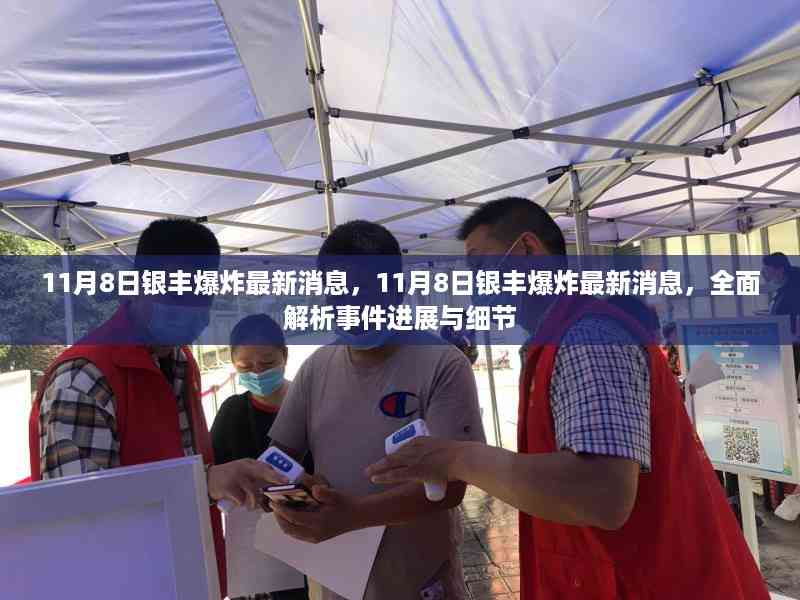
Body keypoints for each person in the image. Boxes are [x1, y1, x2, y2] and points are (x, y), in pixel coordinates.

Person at [367, 197, 769, 600]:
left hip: (658, 582)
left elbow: (602, 493)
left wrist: (457, 458)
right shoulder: (552, 343)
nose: (474, 284)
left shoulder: (589, 338)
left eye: (480, 265)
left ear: (527, 249)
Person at [29, 219, 279, 600]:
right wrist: (204, 483)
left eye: (201, 295)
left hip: (188, 576)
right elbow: (78, 516)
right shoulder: (84, 378)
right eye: (176, 292)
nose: (191, 308)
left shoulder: (180, 361)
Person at [265, 220, 486, 600]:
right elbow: (277, 457)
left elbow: (451, 485)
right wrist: (299, 489)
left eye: (365, 293)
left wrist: (354, 514)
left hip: (420, 583)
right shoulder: (316, 368)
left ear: (397, 289)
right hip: (341, 581)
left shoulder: (443, 364)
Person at [211, 313, 311, 600]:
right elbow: (214, 478)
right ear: (233, 364)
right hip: (255, 550)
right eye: (245, 366)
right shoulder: (231, 413)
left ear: (285, 356)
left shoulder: (310, 404)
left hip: (313, 536)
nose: (257, 373)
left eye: (267, 364)